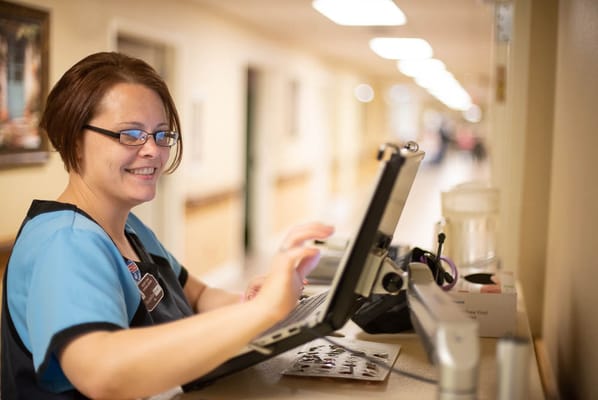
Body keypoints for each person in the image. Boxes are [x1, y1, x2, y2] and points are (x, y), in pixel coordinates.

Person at [0, 52, 334, 399]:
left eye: (161, 135)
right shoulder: (65, 242)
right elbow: (102, 372)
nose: (153, 151)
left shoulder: (129, 228)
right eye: (130, 134)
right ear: (75, 142)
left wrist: (250, 302)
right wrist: (262, 311)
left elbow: (199, 296)